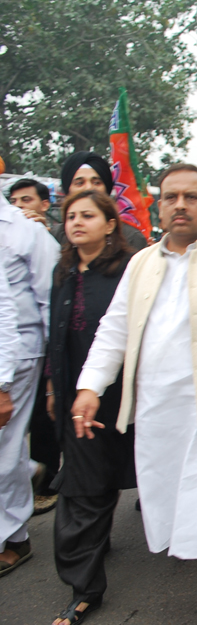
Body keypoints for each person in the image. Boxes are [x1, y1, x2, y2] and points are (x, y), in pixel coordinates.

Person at [72, 163, 197, 625]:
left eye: (191, 196)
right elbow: (113, 331)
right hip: (158, 412)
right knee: (177, 503)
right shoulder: (141, 263)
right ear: (158, 206)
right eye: (170, 197)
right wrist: (90, 387)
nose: (180, 204)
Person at [47, 190, 136, 625]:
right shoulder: (63, 272)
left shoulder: (128, 270)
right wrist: (53, 388)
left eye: (88, 215)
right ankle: (86, 589)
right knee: (84, 491)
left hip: (131, 401)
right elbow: (56, 338)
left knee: (161, 482)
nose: (77, 222)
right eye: (70, 216)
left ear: (109, 223)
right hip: (80, 403)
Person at [0, 190, 59, 578]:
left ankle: (14, 538)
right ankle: (32, 467)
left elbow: (48, 301)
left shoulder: (25, 231)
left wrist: (5, 381)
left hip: (16, 354)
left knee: (4, 451)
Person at [58, 152, 148, 251]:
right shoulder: (55, 236)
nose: (89, 188)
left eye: (96, 182)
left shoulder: (131, 238)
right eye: (80, 183)